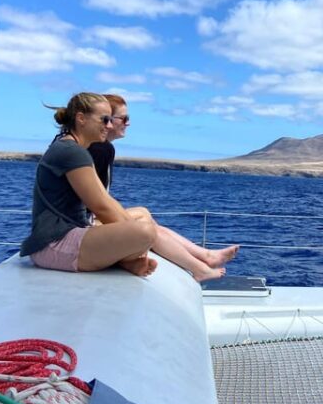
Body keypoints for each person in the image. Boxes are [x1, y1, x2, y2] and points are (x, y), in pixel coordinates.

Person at [88, 93, 238, 279]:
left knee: (144, 213)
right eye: (124, 118)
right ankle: (201, 267)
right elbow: (96, 201)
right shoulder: (100, 149)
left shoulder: (100, 148)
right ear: (107, 120)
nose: (128, 123)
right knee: (146, 227)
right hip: (87, 223)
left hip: (90, 218)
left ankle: (205, 256)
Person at [19, 93, 158, 277]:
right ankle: (128, 260)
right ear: (81, 118)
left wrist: (130, 238)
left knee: (143, 215)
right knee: (145, 232)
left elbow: (106, 201)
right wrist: (136, 242)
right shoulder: (72, 152)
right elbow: (101, 207)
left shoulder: (73, 148)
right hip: (53, 244)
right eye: (104, 120)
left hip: (66, 234)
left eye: (110, 120)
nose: (109, 126)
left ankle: (127, 261)